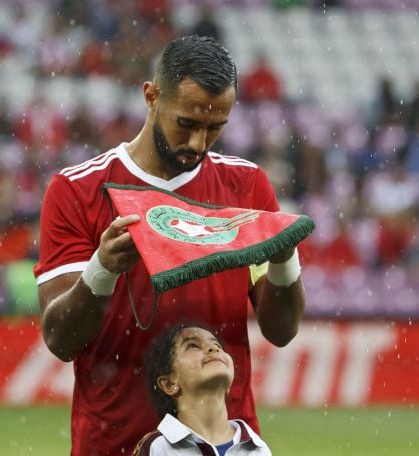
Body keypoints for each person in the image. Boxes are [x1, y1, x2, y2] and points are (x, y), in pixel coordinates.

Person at [34, 35, 306, 455]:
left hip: (221, 446)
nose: (198, 143)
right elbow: (60, 338)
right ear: (151, 96)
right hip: (113, 443)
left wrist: (285, 259)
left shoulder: (247, 187)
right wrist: (102, 268)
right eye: (187, 123)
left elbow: (281, 330)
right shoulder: (78, 189)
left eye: (215, 128)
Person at [133, 323, 271, 455]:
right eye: (192, 346)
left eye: (217, 345)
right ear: (169, 384)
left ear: (229, 386)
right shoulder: (157, 448)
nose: (213, 348)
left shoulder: (257, 449)